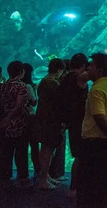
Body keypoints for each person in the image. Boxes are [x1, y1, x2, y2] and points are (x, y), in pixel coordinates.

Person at [77, 53, 107, 208]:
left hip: (94, 143)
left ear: (99, 69)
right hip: (106, 143)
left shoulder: (97, 90)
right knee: (103, 183)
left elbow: (99, 116)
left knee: (88, 184)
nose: (88, 68)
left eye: (91, 66)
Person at [59, 53, 89, 198]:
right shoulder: (78, 78)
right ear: (83, 66)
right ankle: (74, 188)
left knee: (79, 154)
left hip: (70, 121)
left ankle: (76, 186)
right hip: (80, 122)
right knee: (81, 155)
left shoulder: (63, 79)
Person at [0, 61, 30, 187]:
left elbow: (3, 103)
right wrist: (10, 117)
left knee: (7, 151)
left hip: (6, 123)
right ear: (21, 71)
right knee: (21, 151)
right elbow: (19, 105)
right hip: (18, 123)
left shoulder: (4, 85)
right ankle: (23, 178)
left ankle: (5, 177)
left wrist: (5, 118)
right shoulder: (21, 86)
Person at [36, 58, 66, 190]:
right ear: (60, 69)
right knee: (48, 150)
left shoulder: (43, 81)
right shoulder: (53, 83)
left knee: (45, 149)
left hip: (42, 119)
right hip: (51, 121)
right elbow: (59, 103)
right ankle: (43, 180)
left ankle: (46, 175)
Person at [22, 63, 39, 179]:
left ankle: (23, 172)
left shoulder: (15, 85)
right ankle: (37, 169)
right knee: (34, 145)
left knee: (22, 146)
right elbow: (34, 102)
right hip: (30, 117)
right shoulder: (28, 86)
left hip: (19, 119)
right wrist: (36, 90)